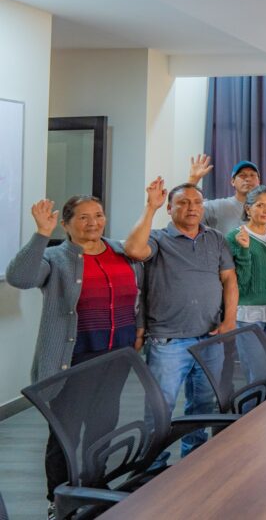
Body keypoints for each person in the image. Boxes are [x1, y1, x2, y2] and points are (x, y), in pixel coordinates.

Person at [6, 196, 143, 515]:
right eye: (83, 217)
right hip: (73, 358)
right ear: (66, 224)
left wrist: (139, 330)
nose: (93, 222)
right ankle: (59, 498)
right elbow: (20, 278)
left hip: (116, 356)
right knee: (65, 431)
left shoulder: (121, 251)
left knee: (104, 424)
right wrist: (41, 234)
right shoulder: (55, 257)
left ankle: (95, 486)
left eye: (98, 215)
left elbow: (138, 293)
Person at [123, 178, 238, 458]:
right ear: (169, 208)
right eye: (183, 203)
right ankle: (153, 467)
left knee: (203, 404)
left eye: (197, 202)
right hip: (168, 341)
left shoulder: (215, 238)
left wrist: (229, 320)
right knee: (159, 409)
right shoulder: (158, 238)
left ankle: (193, 459)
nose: (192, 208)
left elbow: (229, 280)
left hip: (210, 337)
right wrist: (150, 208)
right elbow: (133, 250)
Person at [225, 186, 266, 357]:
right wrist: (244, 250)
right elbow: (240, 282)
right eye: (260, 205)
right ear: (248, 209)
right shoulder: (234, 237)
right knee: (255, 367)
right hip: (248, 313)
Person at [186, 154, 260, 234]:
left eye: (252, 175)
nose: (248, 179)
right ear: (233, 182)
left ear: (259, 181)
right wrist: (193, 179)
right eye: (242, 175)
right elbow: (184, 212)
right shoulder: (216, 207)